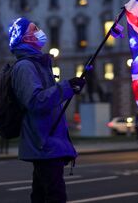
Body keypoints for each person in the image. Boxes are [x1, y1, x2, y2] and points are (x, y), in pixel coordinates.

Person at [8, 17, 85, 203]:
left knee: (42, 196)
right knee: (54, 196)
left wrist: (70, 87)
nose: (40, 32)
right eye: (35, 30)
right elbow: (35, 101)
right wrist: (66, 87)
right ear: (25, 38)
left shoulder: (38, 64)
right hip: (43, 142)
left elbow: (48, 99)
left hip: (47, 142)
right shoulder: (25, 67)